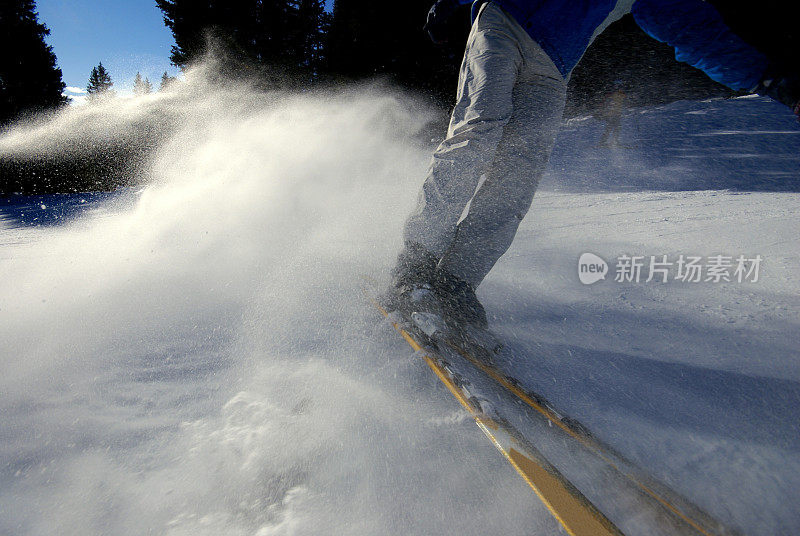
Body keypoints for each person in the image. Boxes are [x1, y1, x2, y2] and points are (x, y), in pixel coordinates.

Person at [385, 0, 800, 328]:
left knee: (521, 170)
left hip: (554, 66)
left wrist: (768, 78)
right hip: (504, 20)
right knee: (480, 130)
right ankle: (417, 262)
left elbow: (692, 28)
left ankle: (456, 280)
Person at [597, 81, 627, 148]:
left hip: (616, 114)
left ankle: (614, 141)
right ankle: (604, 141)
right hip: (610, 114)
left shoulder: (620, 95)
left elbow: (624, 96)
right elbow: (606, 100)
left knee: (616, 128)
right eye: (620, 88)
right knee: (610, 128)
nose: (622, 89)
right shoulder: (613, 94)